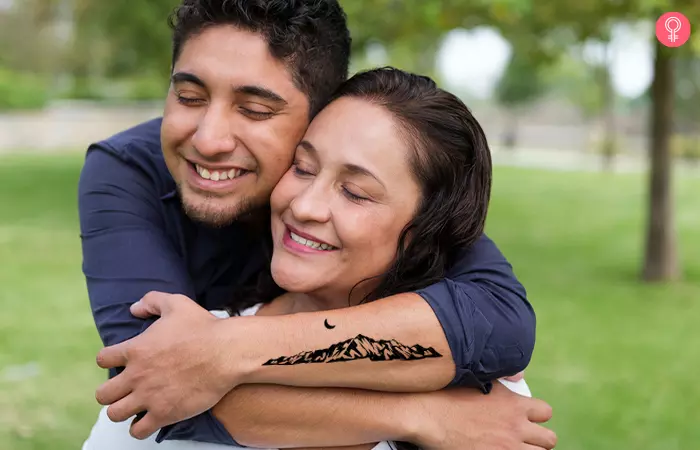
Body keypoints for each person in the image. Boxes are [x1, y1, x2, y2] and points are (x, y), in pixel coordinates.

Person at [78, 0, 549, 448]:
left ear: (319, 116)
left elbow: (496, 324)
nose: (209, 139)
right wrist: (426, 418)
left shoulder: (408, 202)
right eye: (188, 96)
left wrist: (222, 350)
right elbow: (156, 378)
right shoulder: (125, 172)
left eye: (255, 110)